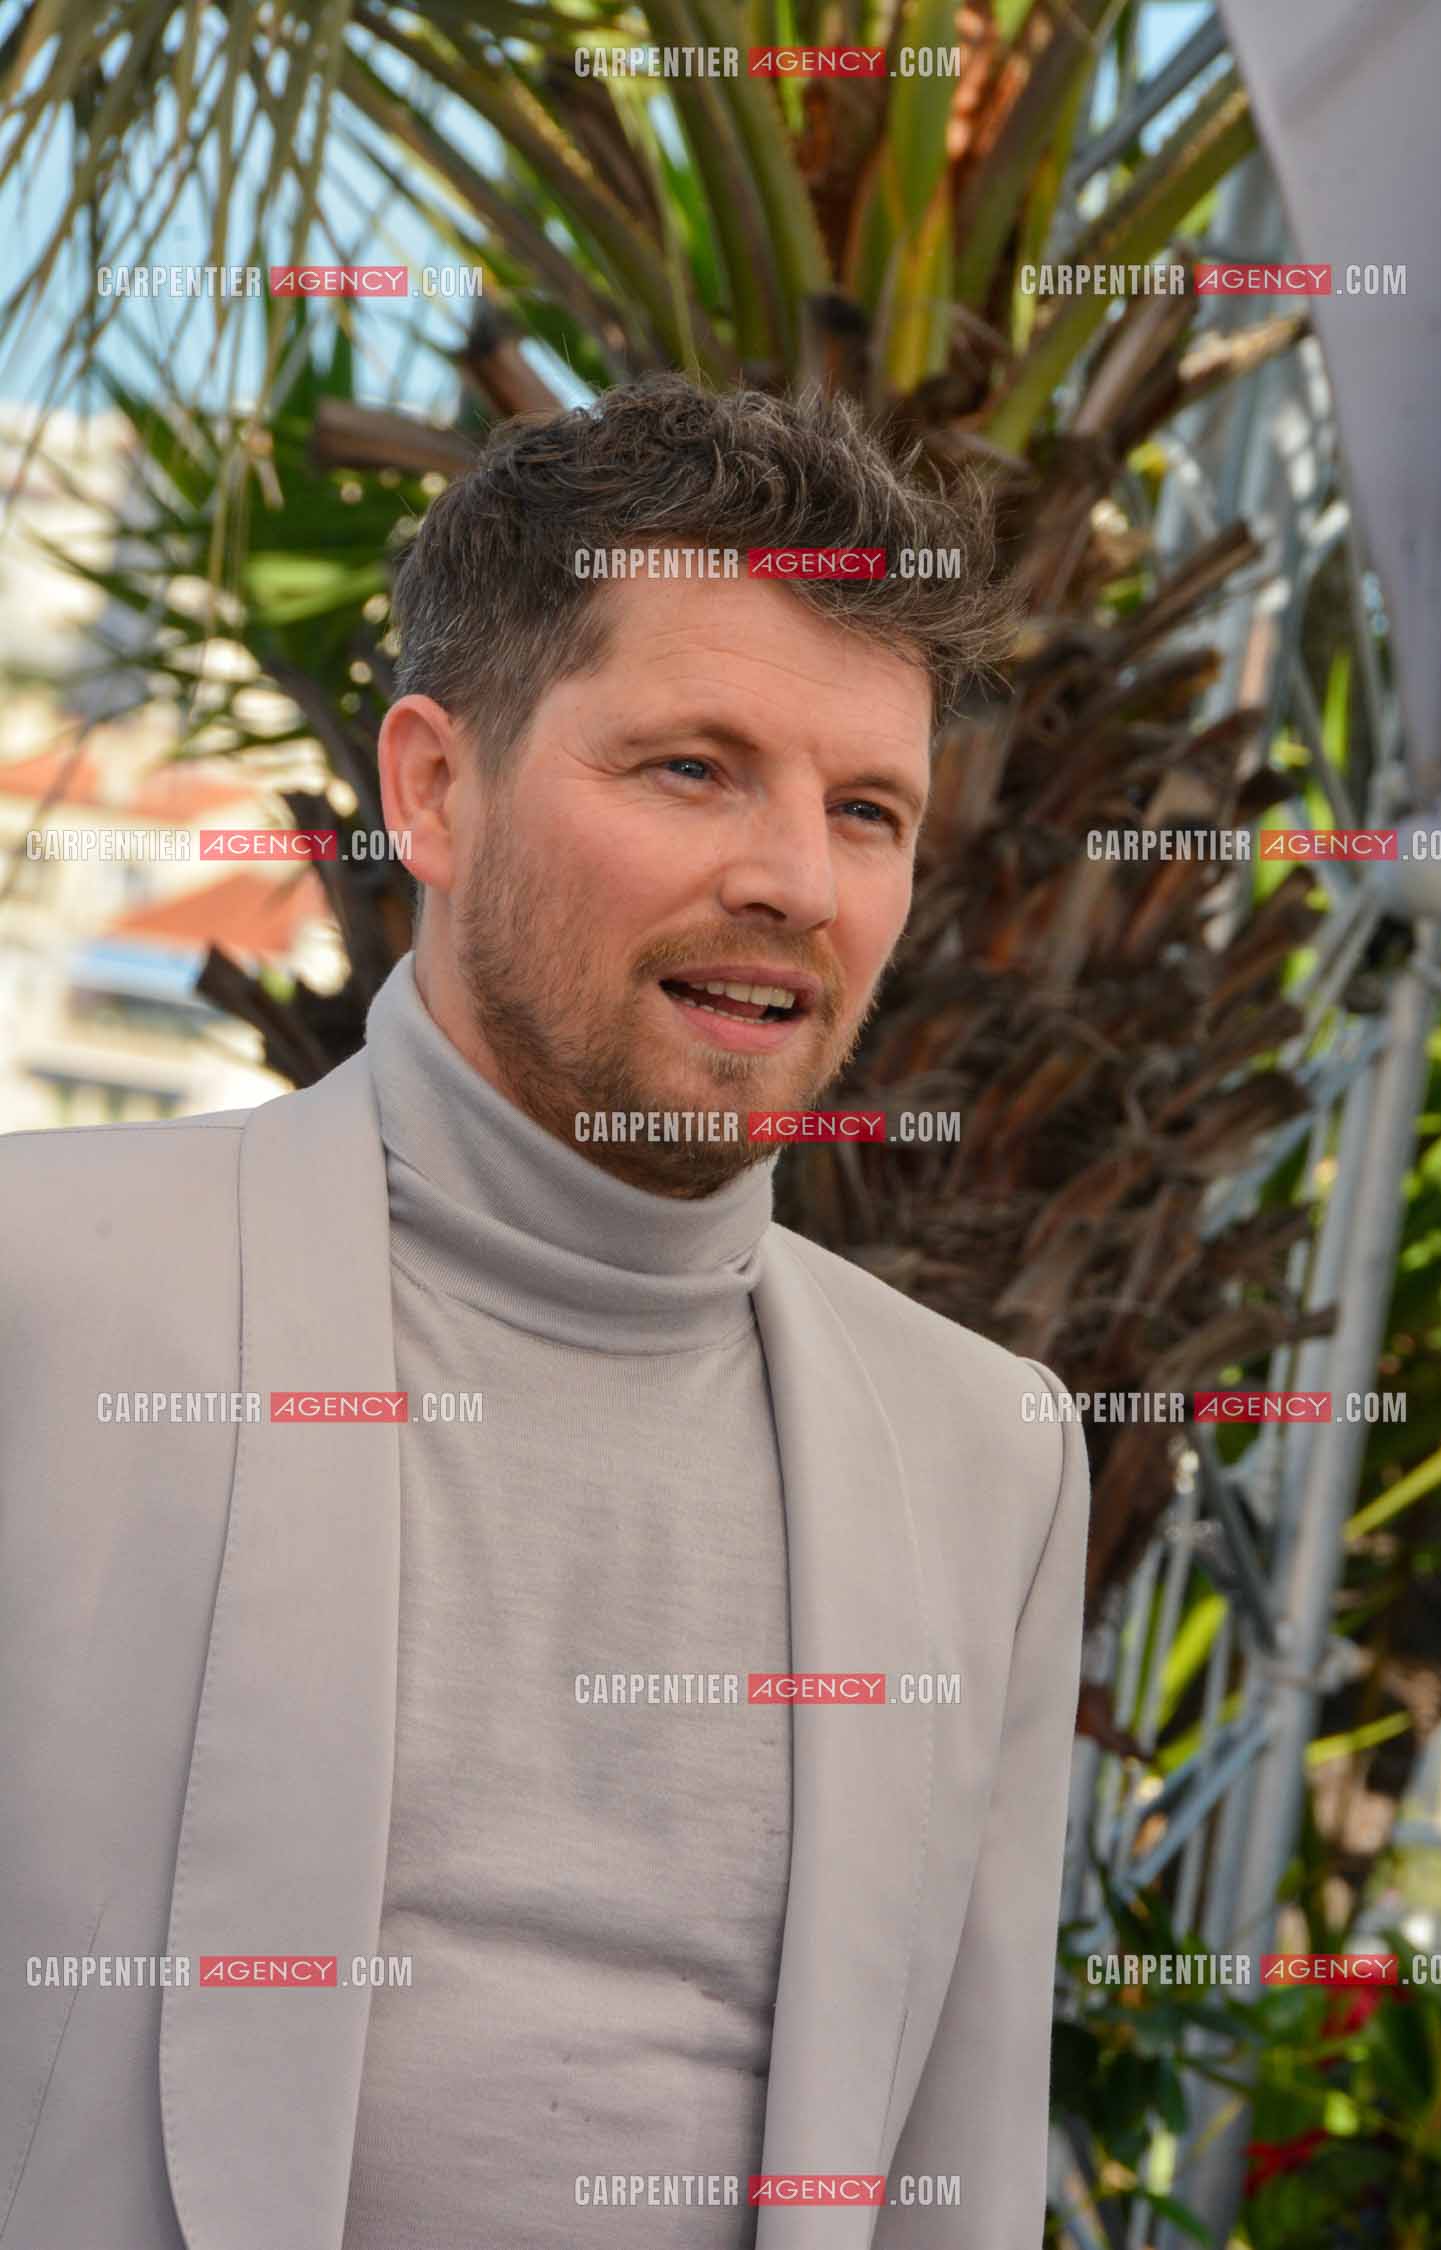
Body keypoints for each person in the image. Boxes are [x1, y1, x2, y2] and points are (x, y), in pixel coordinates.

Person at [0, 374, 1089, 2250]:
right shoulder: (43, 1296)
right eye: (692, 767)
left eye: (867, 809)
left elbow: (954, 2175)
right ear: (434, 785)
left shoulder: (987, 1451)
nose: (794, 881)